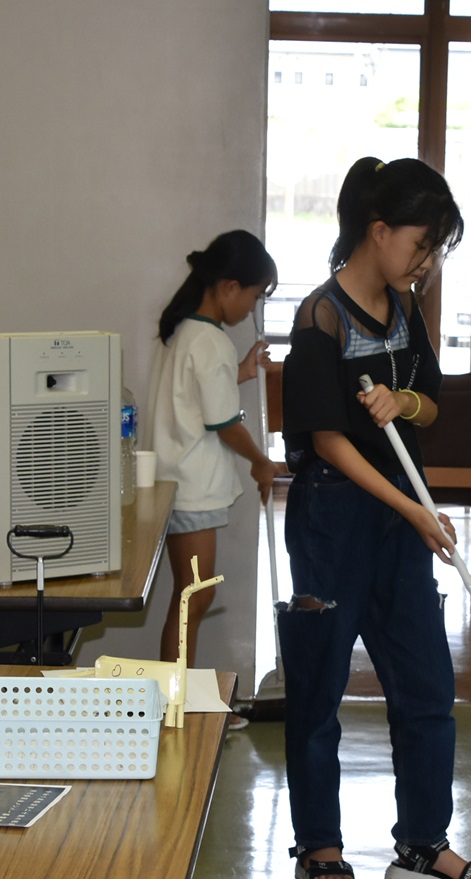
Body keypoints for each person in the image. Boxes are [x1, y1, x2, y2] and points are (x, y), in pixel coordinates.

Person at [279, 157, 471, 879]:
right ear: (378, 231)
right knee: (320, 686)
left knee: (426, 684)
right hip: (334, 517)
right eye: (420, 243)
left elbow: (431, 404)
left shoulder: (406, 310)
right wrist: (412, 509)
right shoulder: (320, 318)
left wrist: (402, 405)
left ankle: (422, 847)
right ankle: (320, 843)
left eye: (436, 248)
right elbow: (327, 440)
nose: (426, 261)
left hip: (399, 519)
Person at [147, 229, 279, 667]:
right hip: (193, 488)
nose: (251, 309)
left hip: (174, 481)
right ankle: (176, 695)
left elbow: (196, 397)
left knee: (192, 595)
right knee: (195, 597)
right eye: (254, 297)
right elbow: (222, 423)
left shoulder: (183, 331)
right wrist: (261, 461)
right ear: (229, 287)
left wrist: (240, 371)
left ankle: (177, 691)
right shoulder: (211, 341)